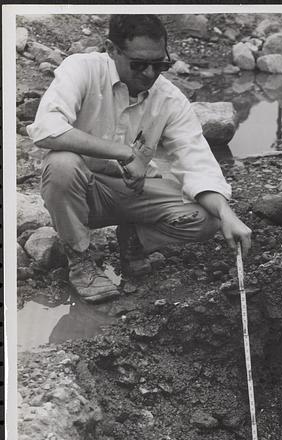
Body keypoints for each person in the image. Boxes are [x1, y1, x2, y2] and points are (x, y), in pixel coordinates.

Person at [27, 14, 252, 303]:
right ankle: (80, 261)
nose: (149, 74)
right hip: (82, 193)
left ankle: (134, 240)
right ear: (111, 49)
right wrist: (123, 152)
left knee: (209, 217)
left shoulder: (170, 100)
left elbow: (198, 164)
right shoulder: (81, 70)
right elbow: (46, 130)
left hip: (134, 191)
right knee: (61, 164)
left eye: (159, 64)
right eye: (139, 64)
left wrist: (228, 215)